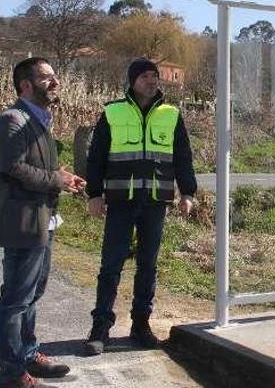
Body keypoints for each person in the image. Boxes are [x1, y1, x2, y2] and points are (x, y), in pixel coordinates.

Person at [83, 58, 197, 356]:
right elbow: (95, 157)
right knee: (111, 265)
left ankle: (141, 324)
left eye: (154, 76)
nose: (152, 80)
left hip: (156, 203)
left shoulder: (172, 115)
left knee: (148, 265)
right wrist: (94, 194)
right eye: (145, 76)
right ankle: (100, 327)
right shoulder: (112, 111)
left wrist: (188, 192)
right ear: (132, 81)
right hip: (121, 202)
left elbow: (183, 157)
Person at [0, 57, 86, 388]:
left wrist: (63, 179)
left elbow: (39, 171)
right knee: (15, 300)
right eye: (47, 78)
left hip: (42, 221)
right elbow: (12, 167)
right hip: (22, 223)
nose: (55, 82)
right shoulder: (12, 121)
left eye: (55, 76)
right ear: (25, 85)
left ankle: (28, 354)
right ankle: (12, 374)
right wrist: (54, 179)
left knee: (32, 293)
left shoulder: (41, 120)